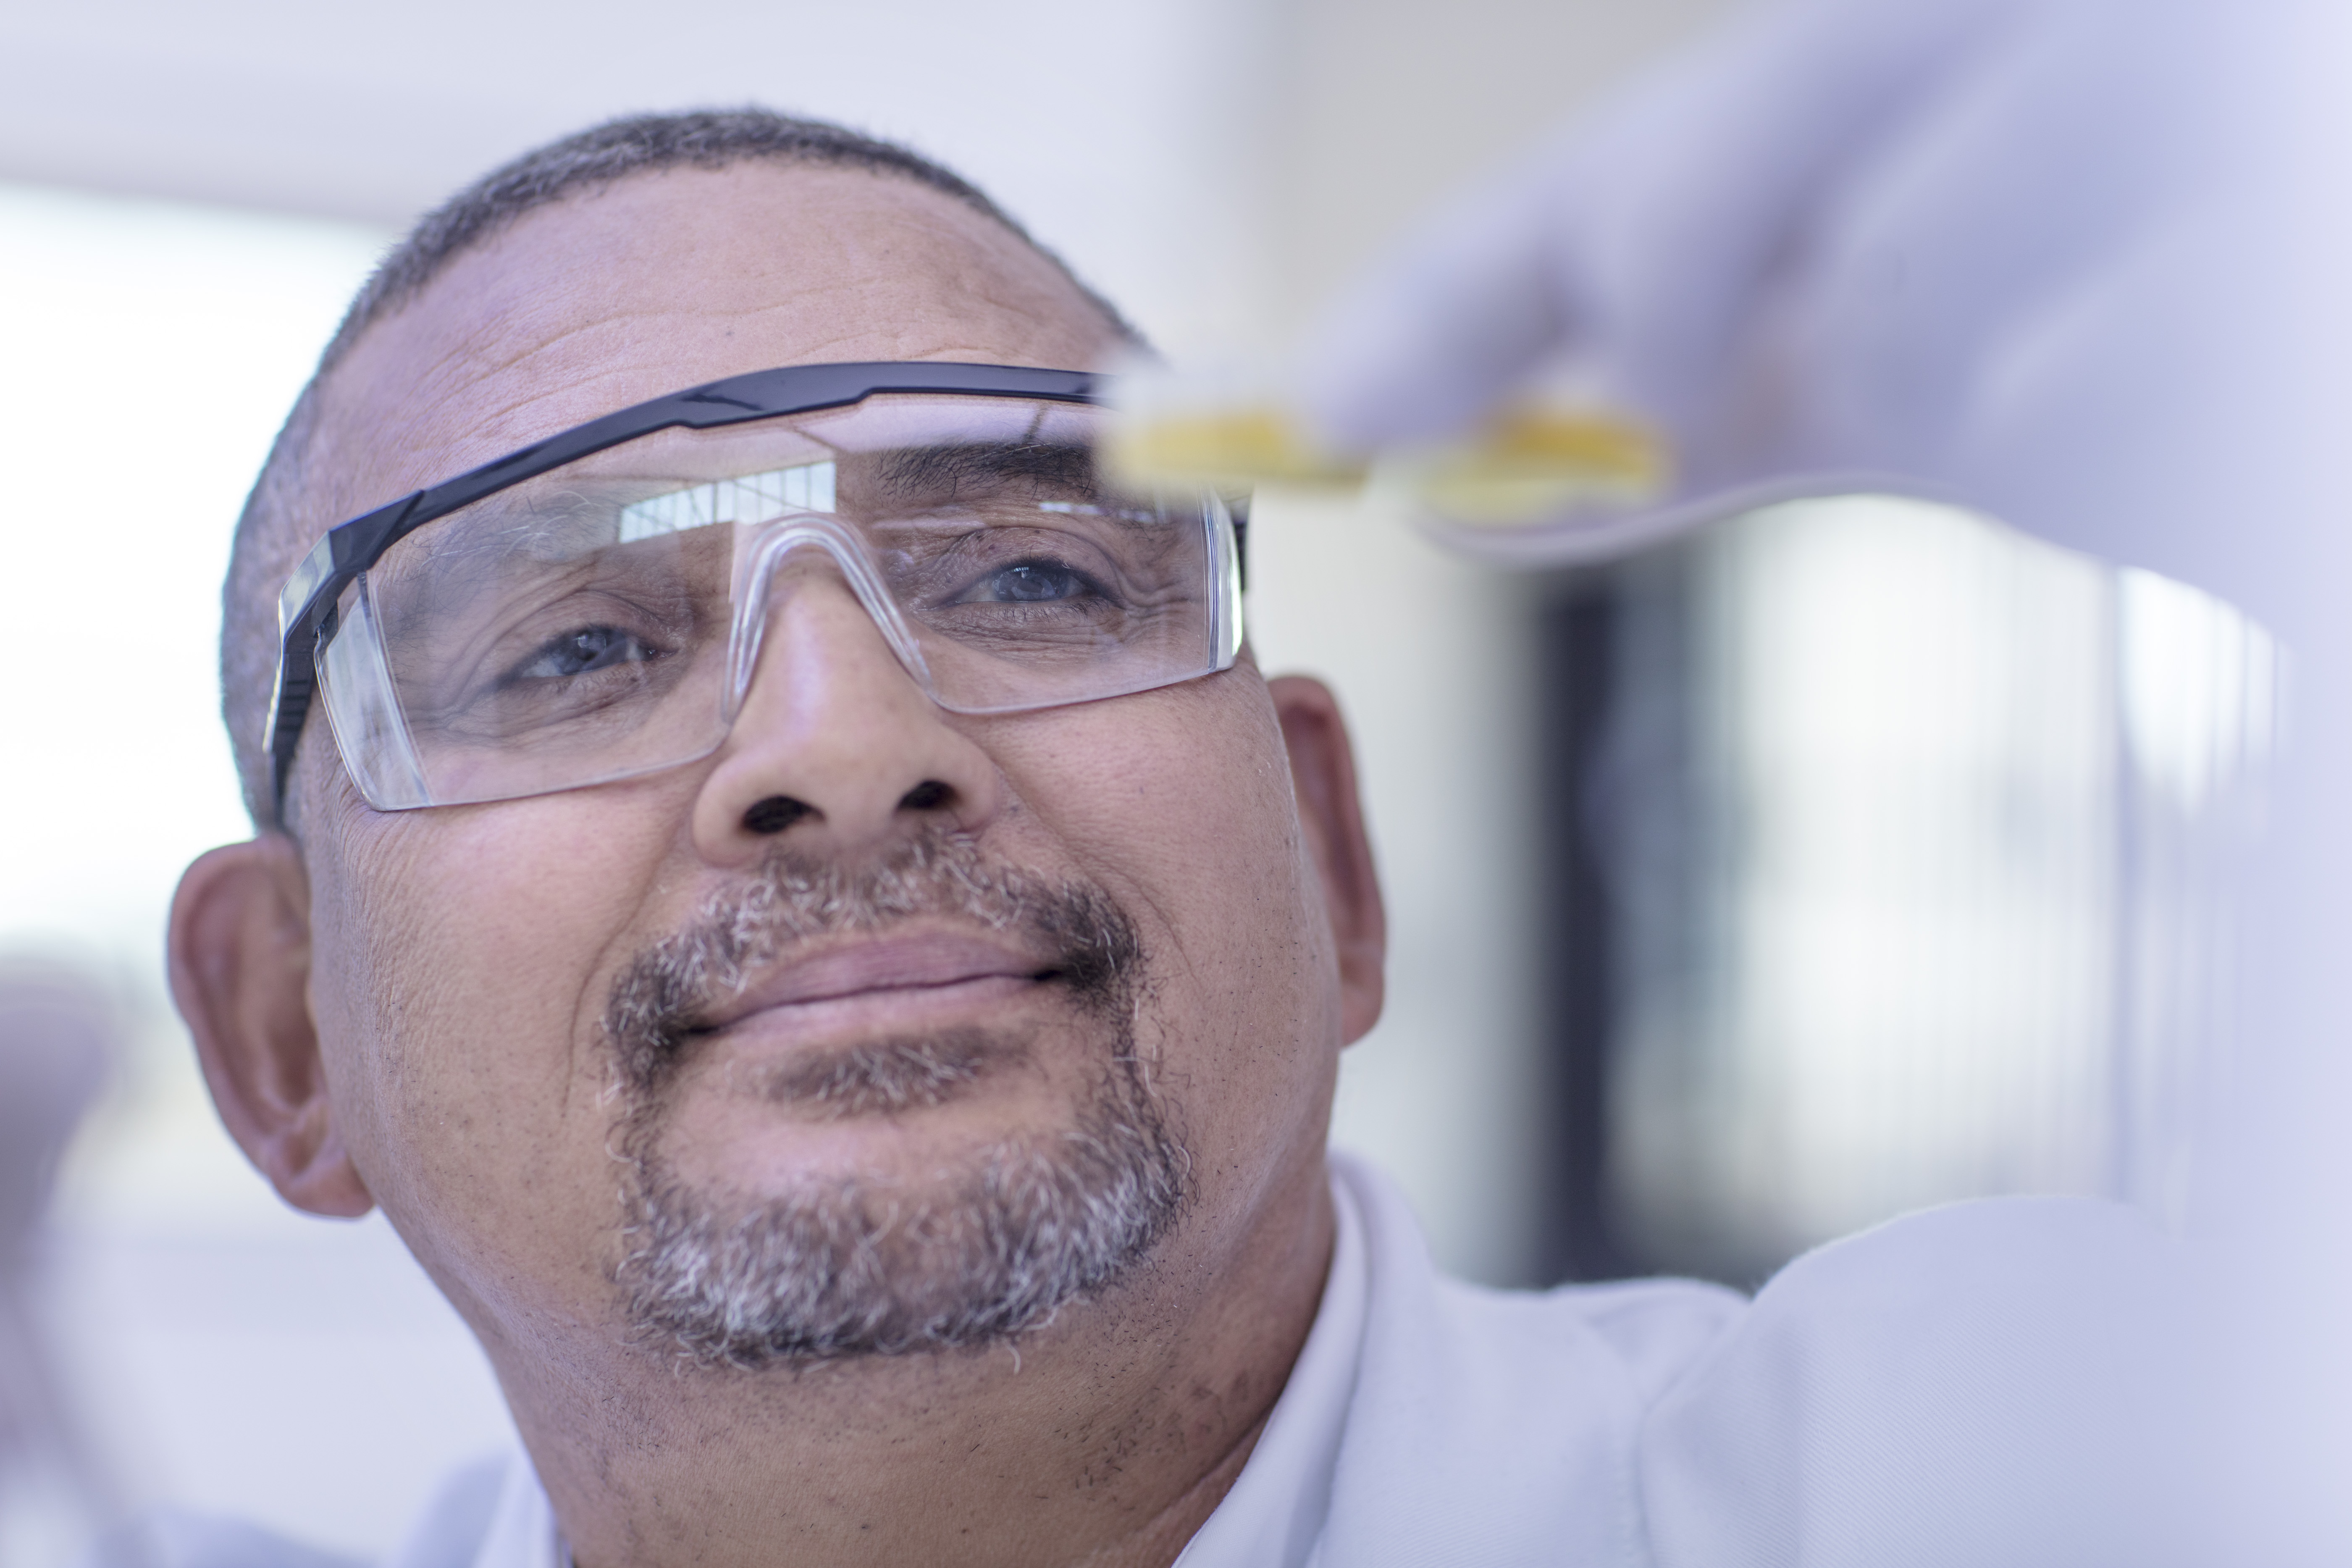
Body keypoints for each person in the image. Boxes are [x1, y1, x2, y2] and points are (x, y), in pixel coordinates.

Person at [165, 109, 2197, 1568]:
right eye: (578, 643)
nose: (848, 740)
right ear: (287, 1042)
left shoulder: (2044, 1458)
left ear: (1325, 860)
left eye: (1032, 581)